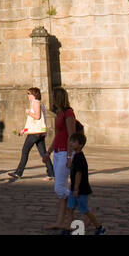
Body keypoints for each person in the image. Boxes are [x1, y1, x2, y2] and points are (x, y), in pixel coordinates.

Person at [46, 88, 81, 229]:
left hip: (65, 153)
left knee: (60, 188)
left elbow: (71, 136)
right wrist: (48, 151)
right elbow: (58, 135)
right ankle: (62, 222)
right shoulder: (59, 113)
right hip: (58, 152)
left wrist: (69, 156)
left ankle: (84, 209)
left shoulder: (68, 113)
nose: (52, 99)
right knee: (62, 191)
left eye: (54, 97)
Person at [8, 87, 52, 180]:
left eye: (29, 94)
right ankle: (51, 172)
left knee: (25, 151)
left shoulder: (35, 102)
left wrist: (29, 112)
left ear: (34, 95)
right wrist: (24, 130)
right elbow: (32, 122)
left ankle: (18, 173)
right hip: (38, 131)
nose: (28, 96)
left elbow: (37, 116)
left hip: (34, 133)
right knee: (43, 154)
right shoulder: (39, 103)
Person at [65, 134, 106, 235]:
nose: (71, 143)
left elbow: (79, 174)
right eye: (71, 141)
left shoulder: (79, 158)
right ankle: (69, 229)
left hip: (80, 190)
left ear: (80, 144)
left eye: (74, 142)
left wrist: (76, 188)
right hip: (74, 189)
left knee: (85, 210)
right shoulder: (76, 155)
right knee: (70, 208)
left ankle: (100, 227)